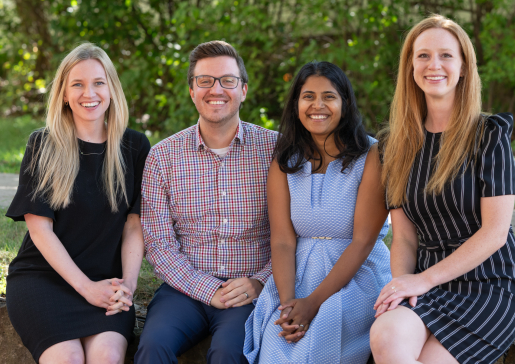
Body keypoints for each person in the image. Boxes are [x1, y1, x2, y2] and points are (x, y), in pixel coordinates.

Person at [371, 14, 515, 364]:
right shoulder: (394, 146)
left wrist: (421, 281)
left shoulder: (489, 135)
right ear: (410, 66)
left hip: (489, 282)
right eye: (423, 55)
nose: (434, 65)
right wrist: (403, 286)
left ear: (464, 67)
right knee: (387, 335)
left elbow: (496, 233)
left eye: (446, 55)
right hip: (425, 283)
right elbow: (403, 238)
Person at [5, 42, 150, 364]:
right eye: (78, 84)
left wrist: (126, 285)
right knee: (67, 358)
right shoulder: (43, 143)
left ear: (111, 89)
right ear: (65, 94)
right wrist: (86, 288)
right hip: (43, 279)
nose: (90, 93)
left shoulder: (135, 145)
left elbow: (134, 222)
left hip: (107, 281)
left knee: (108, 356)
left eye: (99, 82)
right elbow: (40, 229)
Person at [135, 40, 277, 364]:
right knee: (152, 347)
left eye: (227, 80)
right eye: (205, 81)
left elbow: (293, 233)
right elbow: (158, 244)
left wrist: (260, 282)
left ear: (243, 90)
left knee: (230, 353)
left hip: (248, 289)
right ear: (191, 91)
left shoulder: (276, 151)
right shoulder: (162, 156)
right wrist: (206, 289)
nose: (217, 89)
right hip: (184, 289)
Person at [243, 61, 392, 363]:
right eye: (308, 96)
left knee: (320, 341)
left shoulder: (371, 154)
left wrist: (312, 304)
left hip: (355, 277)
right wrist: (288, 305)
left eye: (329, 96)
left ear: (345, 104)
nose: (318, 105)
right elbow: (283, 240)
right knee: (276, 346)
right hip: (296, 276)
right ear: (296, 103)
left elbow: (363, 241)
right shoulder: (285, 159)